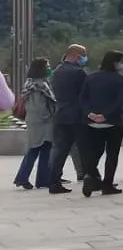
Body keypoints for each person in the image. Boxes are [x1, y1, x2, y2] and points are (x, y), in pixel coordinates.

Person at [79, 51, 123, 196]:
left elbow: (83, 98)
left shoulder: (91, 77)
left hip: (91, 122)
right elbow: (120, 101)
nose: (122, 65)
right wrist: (105, 115)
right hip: (113, 122)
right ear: (115, 62)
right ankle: (107, 185)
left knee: (95, 152)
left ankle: (90, 175)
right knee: (112, 154)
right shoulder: (120, 79)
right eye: (121, 61)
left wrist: (90, 113)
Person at [46, 44, 90, 195]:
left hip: (60, 114)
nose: (84, 59)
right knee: (85, 149)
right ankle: (91, 178)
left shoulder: (56, 71)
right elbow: (86, 94)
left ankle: (54, 182)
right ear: (77, 55)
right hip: (77, 115)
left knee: (60, 150)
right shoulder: (79, 72)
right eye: (83, 56)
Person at [12, 59, 55, 190]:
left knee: (40, 149)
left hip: (36, 122)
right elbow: (38, 107)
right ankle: (25, 178)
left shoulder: (31, 84)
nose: (49, 68)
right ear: (41, 68)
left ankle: (40, 179)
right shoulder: (39, 86)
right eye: (47, 66)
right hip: (42, 122)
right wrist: (49, 116)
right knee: (36, 150)